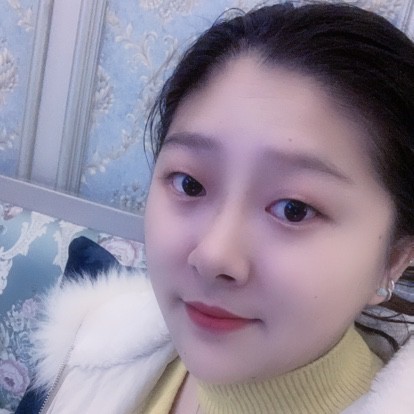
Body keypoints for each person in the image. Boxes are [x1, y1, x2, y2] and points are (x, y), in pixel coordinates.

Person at [16, 2, 414, 413]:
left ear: (394, 259)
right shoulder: (93, 346)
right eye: (189, 184)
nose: (212, 256)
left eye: (294, 209)